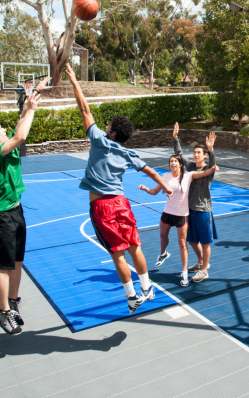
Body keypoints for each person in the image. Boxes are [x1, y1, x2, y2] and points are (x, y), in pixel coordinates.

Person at [65, 64, 173, 314]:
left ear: (112, 132)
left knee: (118, 255)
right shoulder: (127, 153)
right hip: (122, 203)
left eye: (109, 125)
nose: (105, 127)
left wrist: (74, 81)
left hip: (102, 206)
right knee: (136, 248)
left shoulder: (98, 140)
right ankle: (147, 288)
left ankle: (132, 296)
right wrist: (165, 187)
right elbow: (152, 172)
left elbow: (84, 108)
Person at [0, 77, 49, 334]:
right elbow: (21, 134)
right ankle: (2, 311)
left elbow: (18, 128)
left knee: (17, 263)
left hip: (15, 211)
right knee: (3, 266)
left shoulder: (5, 148)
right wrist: (31, 109)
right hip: (0, 217)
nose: (4, 128)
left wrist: (30, 103)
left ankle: (13, 303)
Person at [138, 155, 218, 287]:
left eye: (175, 161)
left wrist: (213, 165)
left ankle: (185, 273)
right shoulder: (166, 176)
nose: (173, 163)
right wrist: (146, 188)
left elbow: (206, 172)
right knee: (162, 235)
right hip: (168, 212)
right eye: (171, 161)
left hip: (182, 214)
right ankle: (163, 253)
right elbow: (154, 191)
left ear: (180, 164)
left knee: (182, 243)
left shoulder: (188, 175)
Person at [172, 122, 217, 283]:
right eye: (195, 152)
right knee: (191, 240)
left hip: (203, 210)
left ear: (204, 155)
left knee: (205, 242)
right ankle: (200, 262)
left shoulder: (208, 170)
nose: (196, 154)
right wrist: (176, 138)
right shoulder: (190, 166)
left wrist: (211, 150)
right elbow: (179, 154)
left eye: (199, 152)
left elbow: (213, 164)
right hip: (189, 210)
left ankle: (205, 270)